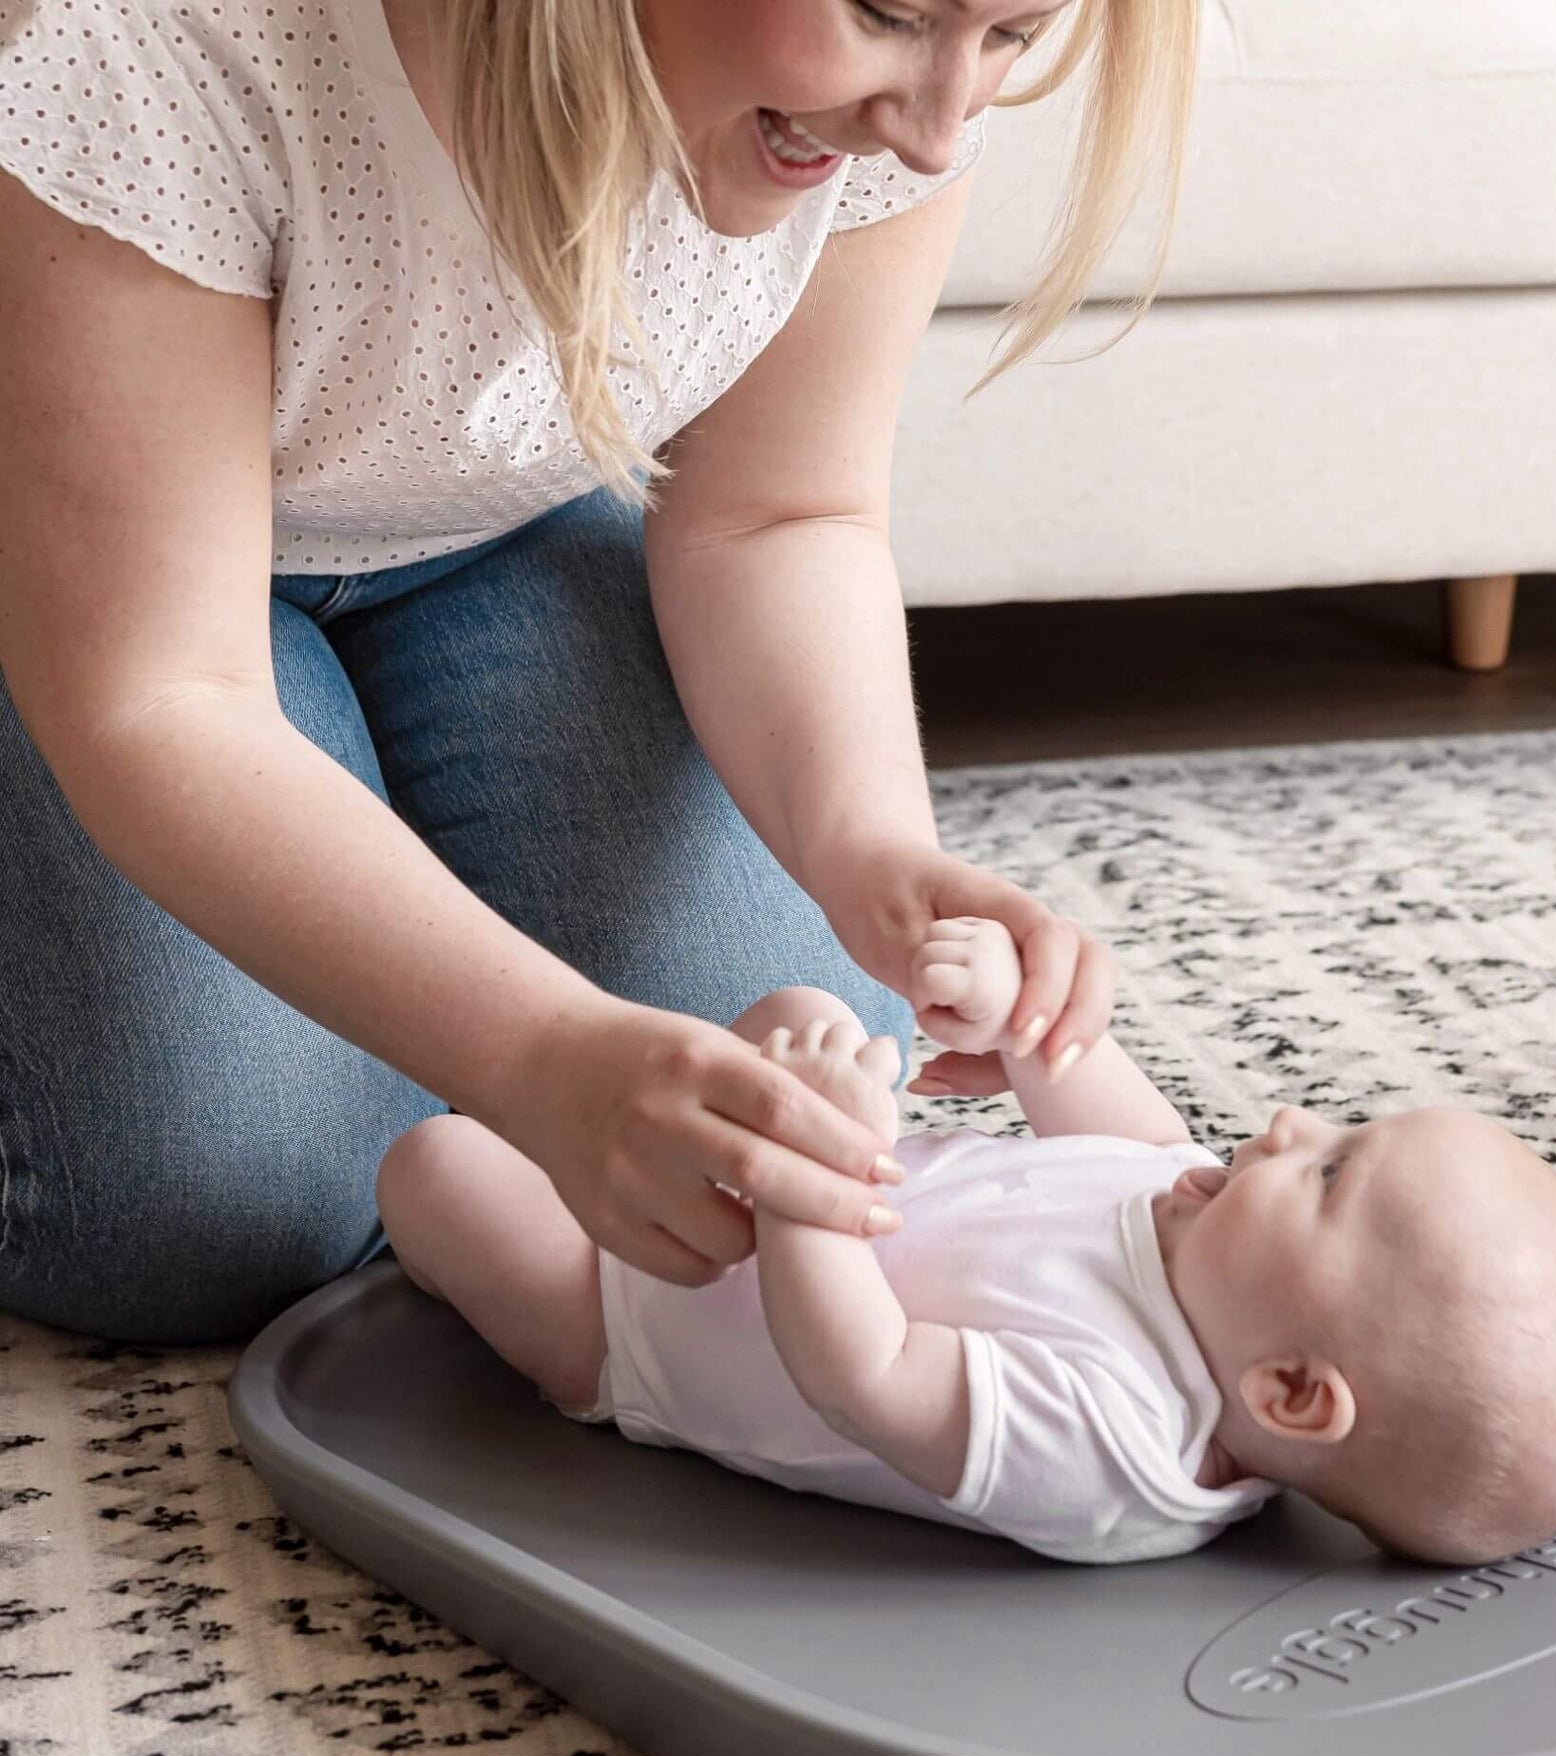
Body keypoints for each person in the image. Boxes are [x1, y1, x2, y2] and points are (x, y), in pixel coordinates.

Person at [0, 0, 1199, 1340]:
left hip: (478, 525)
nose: (933, 134)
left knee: (781, 1063)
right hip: (75, 582)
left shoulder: (878, 114)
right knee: (215, 1211)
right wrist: (538, 1054)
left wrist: (868, 846)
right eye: (887, 16)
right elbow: (165, 694)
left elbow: (777, 513)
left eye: (1012, 35)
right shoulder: (162, 46)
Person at [375, 918, 1556, 1567]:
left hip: (641, 1317)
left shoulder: (1116, 1443)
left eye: (1324, 1171)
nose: (1289, 1118)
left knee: (430, 1169)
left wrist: (806, 1178)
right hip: (774, 1189)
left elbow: (860, 1374)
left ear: (1293, 1391)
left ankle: (503, 1164)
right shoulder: (1200, 1220)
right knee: (803, 1005)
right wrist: (1021, 1018)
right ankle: (555, 1072)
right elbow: (1090, 1093)